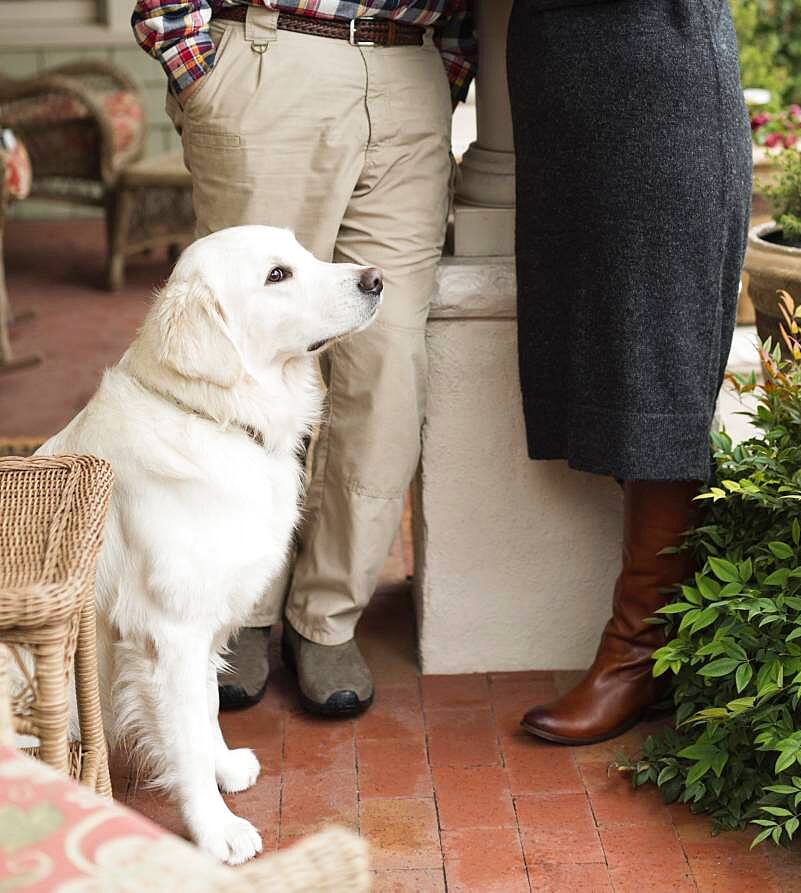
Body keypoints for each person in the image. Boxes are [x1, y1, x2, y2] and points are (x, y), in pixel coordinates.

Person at [133, 0, 475, 717]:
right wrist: (199, 64)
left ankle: (328, 614)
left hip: (409, 66)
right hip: (270, 58)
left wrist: (445, 66)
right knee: (240, 353)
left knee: (388, 364)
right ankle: (244, 612)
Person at [506, 0, 752, 745]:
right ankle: (672, 638)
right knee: (600, 352)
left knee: (660, 363)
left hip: (661, 82)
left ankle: (639, 652)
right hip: (562, 91)